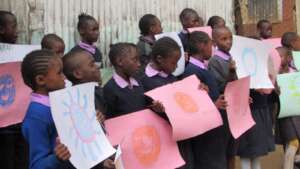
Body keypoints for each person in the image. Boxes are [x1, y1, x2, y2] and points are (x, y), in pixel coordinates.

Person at [21, 49, 74, 169]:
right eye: (59, 73)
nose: (64, 77)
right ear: (40, 80)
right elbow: (37, 165)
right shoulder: (37, 117)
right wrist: (57, 158)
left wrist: (92, 121)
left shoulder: (61, 102)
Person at [0, 10, 29, 169]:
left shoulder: (19, 54)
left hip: (19, 121)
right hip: (3, 125)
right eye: (14, 26)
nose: (17, 31)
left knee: (21, 160)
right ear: (2, 29)